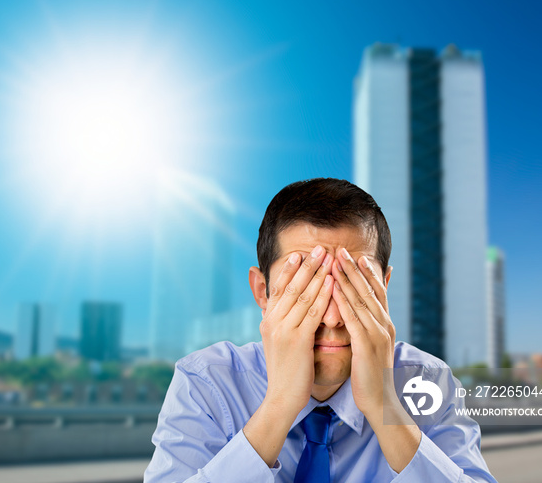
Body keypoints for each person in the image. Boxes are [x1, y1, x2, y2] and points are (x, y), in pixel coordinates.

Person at [144, 178, 497, 483]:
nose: (330, 319)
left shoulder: (427, 382)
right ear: (262, 292)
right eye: (306, 286)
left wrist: (383, 406)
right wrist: (279, 405)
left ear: (384, 288)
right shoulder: (205, 382)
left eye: (354, 286)